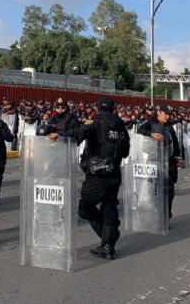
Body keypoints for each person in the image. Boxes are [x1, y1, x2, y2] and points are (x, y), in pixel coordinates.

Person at [60, 97, 129, 260]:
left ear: (98, 109)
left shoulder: (96, 122)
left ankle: (108, 236)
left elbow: (78, 134)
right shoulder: (121, 126)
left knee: (85, 207)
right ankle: (108, 245)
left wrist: (58, 135)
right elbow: (125, 151)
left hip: (98, 174)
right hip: (114, 172)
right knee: (109, 206)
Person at [138, 107, 182, 219]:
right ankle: (157, 212)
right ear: (159, 113)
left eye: (169, 114)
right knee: (154, 188)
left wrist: (178, 155)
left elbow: (174, 140)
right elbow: (140, 130)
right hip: (154, 159)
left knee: (169, 189)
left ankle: (166, 213)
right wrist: (151, 134)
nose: (168, 116)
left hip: (169, 159)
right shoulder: (150, 122)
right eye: (166, 114)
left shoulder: (169, 124)